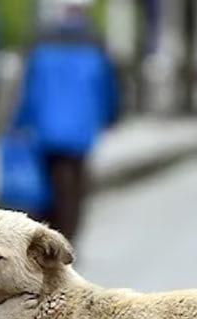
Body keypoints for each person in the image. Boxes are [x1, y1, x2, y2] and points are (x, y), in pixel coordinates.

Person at [11, 0, 119, 239]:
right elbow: (108, 88)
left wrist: (19, 123)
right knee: (76, 185)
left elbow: (29, 91)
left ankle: (44, 235)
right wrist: (110, 117)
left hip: (46, 127)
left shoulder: (41, 43)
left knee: (47, 185)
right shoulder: (95, 44)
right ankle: (67, 238)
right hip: (81, 128)